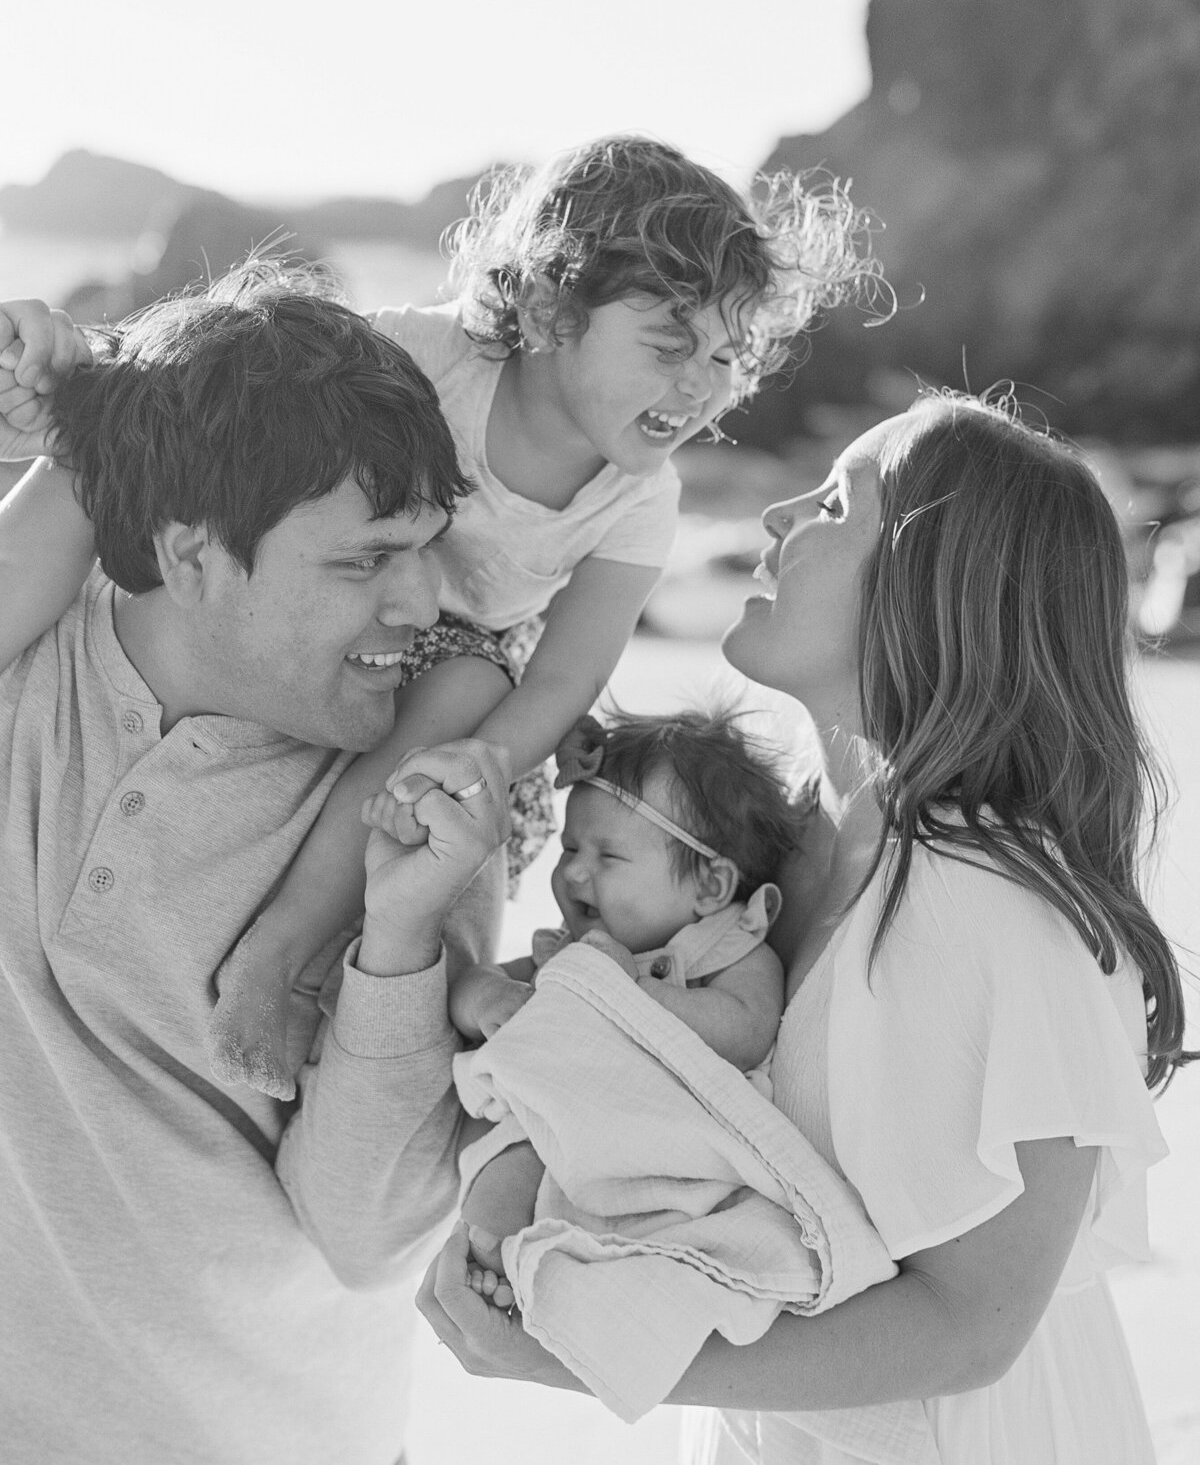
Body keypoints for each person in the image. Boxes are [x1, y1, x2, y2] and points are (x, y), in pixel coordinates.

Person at [418, 390, 1193, 1464]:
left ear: (933, 589)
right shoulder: (786, 860)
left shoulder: (1002, 910)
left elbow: (975, 1327)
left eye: (836, 500)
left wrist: (596, 1344)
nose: (779, 511)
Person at [200, 134, 879, 1099]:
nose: (701, 385)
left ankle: (333, 964)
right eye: (669, 344)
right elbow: (251, 401)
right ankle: (287, 952)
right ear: (552, 311)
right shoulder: (422, 363)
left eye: (726, 355)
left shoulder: (641, 498)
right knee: (458, 672)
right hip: (344, 604)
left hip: (466, 663)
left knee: (477, 689)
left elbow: (567, 672)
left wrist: (500, 756)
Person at [0, 262, 511, 1465]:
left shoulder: (412, 811)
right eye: (361, 561)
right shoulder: (29, 676)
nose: (420, 604)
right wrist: (76, 423)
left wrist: (395, 946)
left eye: (429, 548)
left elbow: (376, 1236)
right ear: (188, 554)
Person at [429, 706, 805, 1305]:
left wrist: (630, 992)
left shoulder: (727, 948)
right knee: (508, 1155)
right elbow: (468, 987)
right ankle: (488, 1250)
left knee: (716, 1214)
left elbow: (747, 1030)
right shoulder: (572, 953)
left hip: (675, 1142)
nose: (575, 872)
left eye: (609, 857)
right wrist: (491, 1000)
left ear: (710, 887)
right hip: (567, 1134)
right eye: (570, 846)